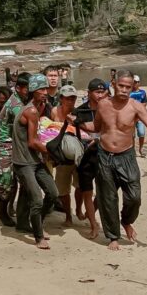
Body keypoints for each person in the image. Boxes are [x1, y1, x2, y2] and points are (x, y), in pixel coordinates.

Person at [91, 70, 147, 250]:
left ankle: (127, 221)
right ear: (113, 85)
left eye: (127, 87)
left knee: (134, 196)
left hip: (126, 156)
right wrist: (76, 122)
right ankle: (113, 236)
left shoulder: (136, 106)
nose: (123, 90)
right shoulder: (103, 104)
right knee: (108, 198)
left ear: (132, 88)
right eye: (121, 86)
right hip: (105, 155)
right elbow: (97, 127)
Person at [12, 74, 60, 250]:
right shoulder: (31, 111)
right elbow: (33, 142)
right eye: (41, 89)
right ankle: (38, 236)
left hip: (35, 160)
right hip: (24, 162)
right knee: (37, 200)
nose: (45, 92)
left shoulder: (38, 107)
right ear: (33, 91)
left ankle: (35, 222)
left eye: (46, 89)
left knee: (53, 193)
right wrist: (53, 151)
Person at [0, 73, 30, 228]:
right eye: (27, 88)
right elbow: (26, 120)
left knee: (15, 182)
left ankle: (6, 206)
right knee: (6, 183)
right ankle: (2, 211)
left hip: (15, 146)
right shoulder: (15, 104)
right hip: (3, 147)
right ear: (18, 88)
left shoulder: (22, 101)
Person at [73, 79, 108, 239]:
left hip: (105, 154)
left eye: (103, 92)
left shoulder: (109, 109)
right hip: (86, 155)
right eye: (97, 92)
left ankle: (91, 212)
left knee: (103, 192)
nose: (100, 95)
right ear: (89, 93)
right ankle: (94, 225)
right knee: (87, 191)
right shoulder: (79, 111)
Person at [51, 84, 81, 225]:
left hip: (76, 155)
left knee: (80, 186)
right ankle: (68, 216)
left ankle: (79, 209)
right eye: (68, 98)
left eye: (73, 98)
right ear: (61, 98)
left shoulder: (78, 113)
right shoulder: (54, 112)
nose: (71, 101)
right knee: (63, 189)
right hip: (61, 157)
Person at [130, 75, 147, 157]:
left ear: (139, 83)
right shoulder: (128, 92)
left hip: (140, 116)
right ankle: (132, 149)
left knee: (141, 133)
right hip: (130, 116)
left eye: (136, 82)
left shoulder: (143, 92)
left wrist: (139, 112)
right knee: (132, 135)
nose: (135, 84)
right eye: (133, 82)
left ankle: (141, 148)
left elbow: (144, 103)